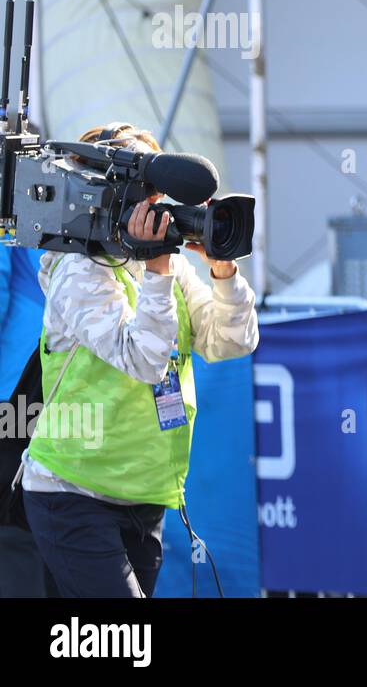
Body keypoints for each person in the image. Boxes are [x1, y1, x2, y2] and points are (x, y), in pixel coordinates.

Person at [18, 123, 260, 597]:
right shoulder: (79, 269)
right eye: (145, 195)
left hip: (143, 495)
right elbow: (144, 360)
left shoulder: (168, 267)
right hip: (72, 494)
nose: (155, 208)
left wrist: (222, 270)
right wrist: (156, 270)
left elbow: (232, 341)